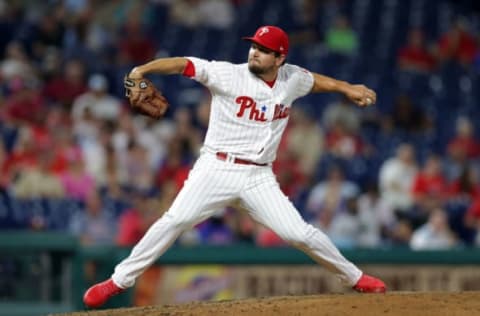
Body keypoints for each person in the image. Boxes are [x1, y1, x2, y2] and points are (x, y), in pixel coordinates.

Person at [83, 25, 386, 308]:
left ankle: (355, 278)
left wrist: (346, 87)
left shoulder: (292, 78)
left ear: (280, 58)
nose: (255, 52)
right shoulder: (227, 74)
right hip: (216, 168)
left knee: (300, 235)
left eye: (264, 49)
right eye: (254, 46)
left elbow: (316, 81)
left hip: (259, 177)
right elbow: (183, 63)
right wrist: (142, 70)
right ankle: (118, 281)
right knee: (175, 220)